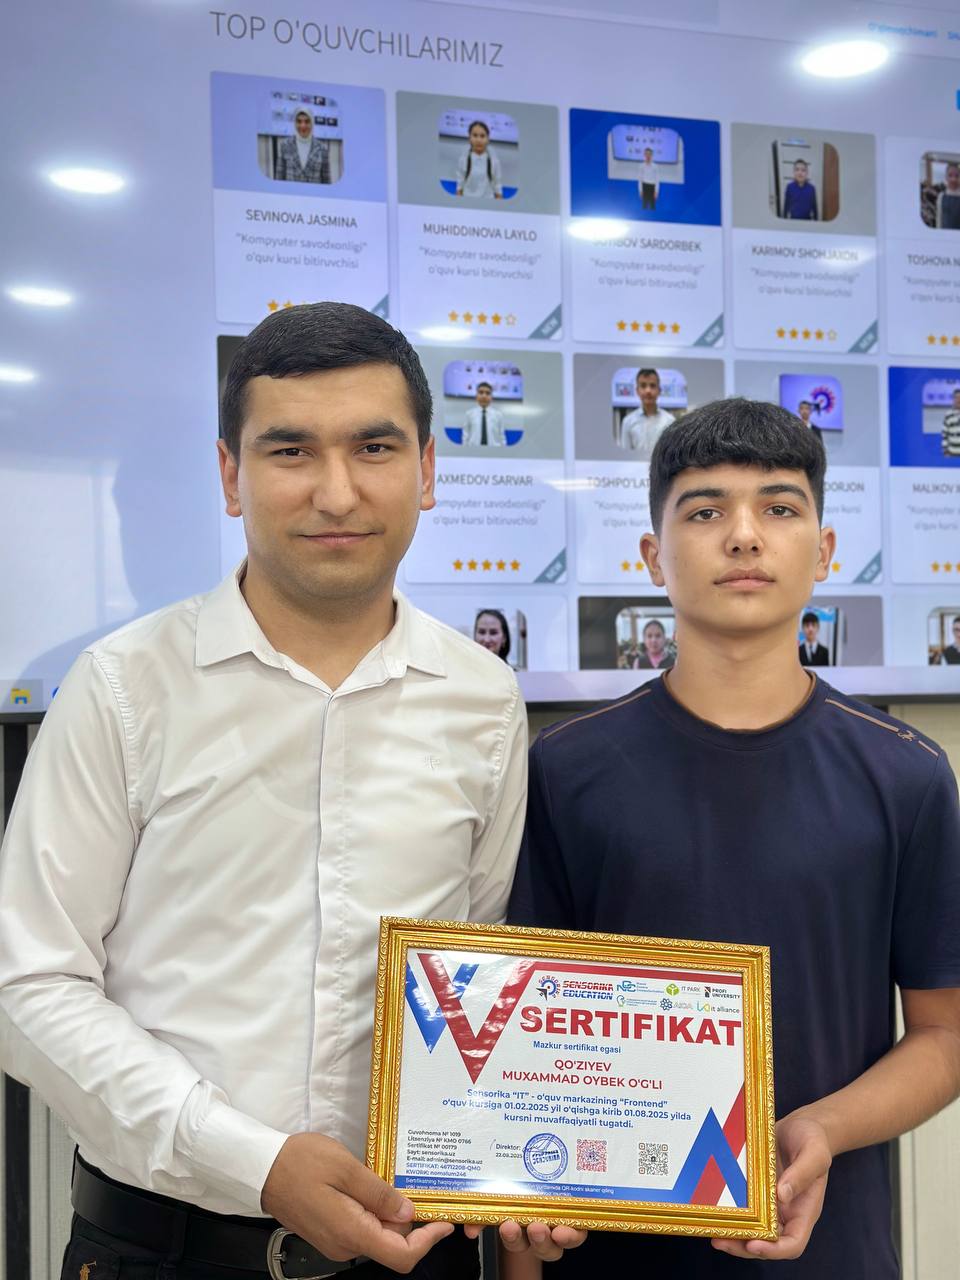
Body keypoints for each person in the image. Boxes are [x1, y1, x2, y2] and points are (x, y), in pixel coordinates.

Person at [0, 303, 584, 1278]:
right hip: (163, 1249)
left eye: (373, 448)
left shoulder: (483, 697)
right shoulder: (122, 687)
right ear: (232, 475)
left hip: (415, 1249)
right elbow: (29, 982)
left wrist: (530, 1160)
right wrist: (256, 1163)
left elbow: (473, 967)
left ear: (426, 470)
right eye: (290, 451)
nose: (336, 490)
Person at [507, 397, 960, 1279]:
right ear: (653, 556)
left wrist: (821, 1128)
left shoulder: (906, 773)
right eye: (706, 511)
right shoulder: (565, 769)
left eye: (779, 508)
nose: (745, 537)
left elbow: (944, 1037)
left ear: (824, 552)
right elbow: (527, 1044)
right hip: (616, 1256)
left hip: (831, 1251)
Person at [617, 368, 675, 457]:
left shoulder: (670, 421)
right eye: (643, 386)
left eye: (652, 385)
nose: (648, 391)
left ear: (659, 390)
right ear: (637, 390)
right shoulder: (627, 422)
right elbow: (625, 455)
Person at [275, 108, 331, 183]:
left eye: (307, 121)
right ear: (295, 123)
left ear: (312, 123)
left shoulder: (322, 148)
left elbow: (327, 182)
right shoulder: (285, 145)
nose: (303, 126)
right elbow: (279, 179)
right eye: (299, 121)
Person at [455, 120, 503, 199]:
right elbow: (459, 186)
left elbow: (498, 186)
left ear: (488, 139)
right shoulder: (463, 160)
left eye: (482, 136)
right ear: (469, 138)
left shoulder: (494, 162)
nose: (478, 140)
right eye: (475, 135)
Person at [463, 380, 507, 446]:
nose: (484, 396)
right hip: (474, 450)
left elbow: (502, 437)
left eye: (488, 393)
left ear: (491, 397)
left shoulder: (498, 415)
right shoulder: (469, 414)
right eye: (481, 392)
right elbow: (465, 437)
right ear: (476, 396)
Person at [935, 161, 960, 230]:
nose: (953, 179)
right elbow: (939, 219)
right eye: (950, 175)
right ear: (946, 177)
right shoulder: (941, 196)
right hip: (945, 234)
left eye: (957, 176)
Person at [638, 145, 659, 211]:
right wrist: (640, 190)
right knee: (644, 206)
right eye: (646, 154)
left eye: (649, 154)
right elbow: (640, 179)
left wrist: (656, 191)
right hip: (644, 186)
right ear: (644, 155)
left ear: (652, 155)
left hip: (652, 187)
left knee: (652, 206)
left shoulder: (655, 166)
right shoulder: (641, 166)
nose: (648, 156)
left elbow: (657, 180)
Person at [941, 387, 960, 458]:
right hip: (952, 454)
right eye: (956, 397)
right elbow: (944, 435)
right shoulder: (948, 415)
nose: (958, 400)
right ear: (953, 400)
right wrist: (945, 451)